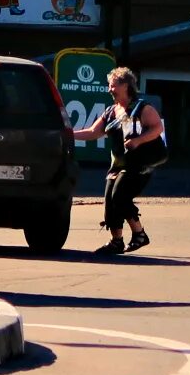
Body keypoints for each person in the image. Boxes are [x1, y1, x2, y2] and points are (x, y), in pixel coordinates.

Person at [72, 67, 167, 254]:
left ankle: (139, 234)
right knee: (110, 201)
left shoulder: (142, 108)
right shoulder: (110, 111)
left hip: (139, 165)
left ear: (125, 86)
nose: (109, 89)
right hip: (117, 165)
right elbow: (93, 132)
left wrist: (138, 140)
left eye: (112, 85)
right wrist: (68, 134)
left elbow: (157, 128)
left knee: (120, 197)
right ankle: (116, 241)